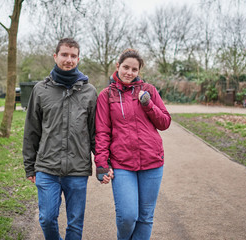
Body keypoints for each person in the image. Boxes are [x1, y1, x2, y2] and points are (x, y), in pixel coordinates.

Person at [22, 38, 97, 240]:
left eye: (73, 56)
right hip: (47, 167)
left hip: (77, 169)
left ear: (78, 58)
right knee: (46, 218)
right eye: (64, 54)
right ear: (55, 56)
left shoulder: (89, 92)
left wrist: (103, 163)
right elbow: (31, 131)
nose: (68, 59)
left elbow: (94, 133)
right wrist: (30, 166)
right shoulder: (40, 90)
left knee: (75, 223)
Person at [94, 49, 171, 240]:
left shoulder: (149, 91)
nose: (129, 72)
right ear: (117, 66)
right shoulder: (106, 95)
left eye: (134, 69)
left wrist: (148, 104)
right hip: (122, 164)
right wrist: (102, 164)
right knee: (128, 216)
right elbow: (102, 132)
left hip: (152, 162)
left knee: (145, 217)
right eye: (126, 67)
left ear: (139, 71)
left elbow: (165, 122)